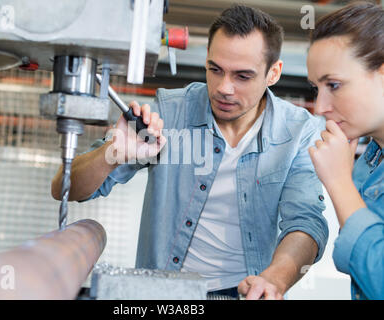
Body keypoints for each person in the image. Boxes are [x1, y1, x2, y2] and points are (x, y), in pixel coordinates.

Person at [52, 5, 328, 300]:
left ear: (273, 73)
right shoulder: (170, 113)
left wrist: (273, 280)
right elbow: (65, 189)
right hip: (162, 295)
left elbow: (305, 221)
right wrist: (113, 152)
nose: (224, 88)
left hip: (246, 293)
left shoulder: (299, 132)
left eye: (243, 76)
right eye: (215, 69)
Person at [307, 2, 383, 300]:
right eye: (317, 88)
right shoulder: (370, 161)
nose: (321, 107)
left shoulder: (350, 170)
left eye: (334, 85)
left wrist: (339, 182)